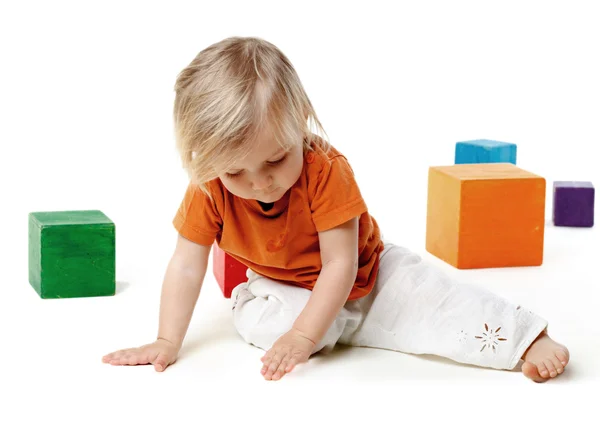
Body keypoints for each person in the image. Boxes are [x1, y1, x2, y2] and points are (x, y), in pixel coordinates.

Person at [102, 36, 569, 382]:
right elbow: (186, 266)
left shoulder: (324, 169)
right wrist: (167, 340)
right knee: (260, 320)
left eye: (274, 160)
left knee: (442, 302)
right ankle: (334, 327)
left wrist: (305, 337)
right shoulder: (208, 188)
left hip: (368, 278)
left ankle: (526, 338)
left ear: (300, 120)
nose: (259, 182)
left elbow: (339, 264)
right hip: (286, 287)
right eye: (236, 173)